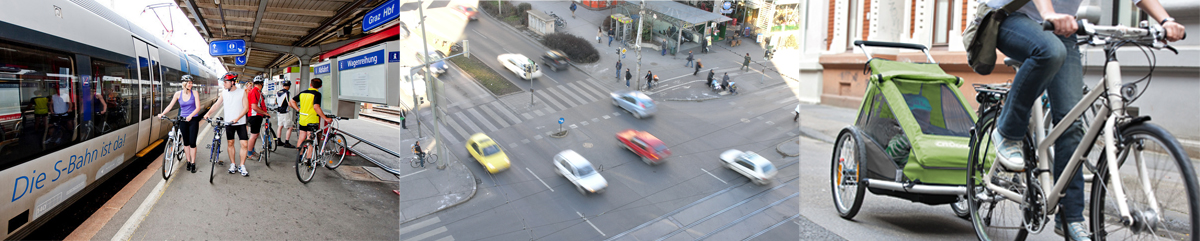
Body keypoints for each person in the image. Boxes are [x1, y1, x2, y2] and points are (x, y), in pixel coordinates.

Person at [985, 0, 1185, 240]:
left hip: (1062, 27)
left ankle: (1070, 218)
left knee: (1072, 122)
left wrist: (1165, 21)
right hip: (1011, 16)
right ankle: (1008, 131)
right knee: (1049, 51)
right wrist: (1048, 12)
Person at [204, 73, 251, 176]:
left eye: (225, 82)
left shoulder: (242, 92)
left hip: (241, 123)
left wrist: (237, 118)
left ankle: (242, 165)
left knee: (244, 144)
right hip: (228, 123)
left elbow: (246, 108)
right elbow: (216, 105)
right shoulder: (224, 93)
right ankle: (233, 164)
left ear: (233, 82)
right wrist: (208, 114)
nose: (223, 84)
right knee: (230, 143)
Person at [158, 75, 201, 173]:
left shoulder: (195, 93)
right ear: (184, 83)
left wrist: (190, 116)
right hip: (183, 120)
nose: (191, 84)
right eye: (189, 83)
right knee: (186, 142)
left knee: (192, 142)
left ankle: (193, 163)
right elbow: (170, 106)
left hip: (193, 119)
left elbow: (198, 107)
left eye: (191, 83)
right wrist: (162, 113)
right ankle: (188, 161)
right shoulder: (178, 94)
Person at [288, 78, 333, 165]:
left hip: (303, 119)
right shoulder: (317, 94)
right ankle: (309, 160)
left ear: (310, 84)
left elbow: (291, 102)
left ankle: (299, 157)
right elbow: (316, 107)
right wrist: (325, 118)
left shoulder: (303, 93)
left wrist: (297, 109)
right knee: (310, 140)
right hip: (312, 120)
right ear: (320, 86)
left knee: (301, 138)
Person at [245, 78, 270, 160]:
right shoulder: (254, 91)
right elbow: (254, 106)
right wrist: (265, 113)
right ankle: (249, 153)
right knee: (254, 135)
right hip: (254, 115)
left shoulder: (257, 92)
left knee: (256, 135)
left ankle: (252, 150)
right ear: (261, 84)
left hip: (257, 116)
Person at [274, 81, 295, 148]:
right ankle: (287, 142)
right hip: (285, 112)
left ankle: (279, 140)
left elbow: (276, 102)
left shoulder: (278, 92)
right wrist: (296, 108)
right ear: (289, 86)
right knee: (290, 127)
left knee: (280, 126)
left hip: (279, 112)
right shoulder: (287, 93)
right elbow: (289, 103)